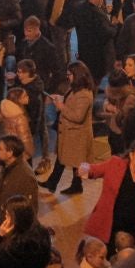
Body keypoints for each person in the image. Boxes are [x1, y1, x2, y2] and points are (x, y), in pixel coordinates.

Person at [78, 139, 135, 252]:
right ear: (131, 155)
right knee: (108, 254)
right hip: (110, 223)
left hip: (131, 226)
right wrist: (83, 168)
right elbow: (94, 170)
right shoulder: (115, 164)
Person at [40, 62, 95, 195]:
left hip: (76, 135)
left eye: (70, 74)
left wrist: (61, 107)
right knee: (64, 158)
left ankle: (70, 185)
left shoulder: (84, 94)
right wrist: (59, 98)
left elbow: (78, 116)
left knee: (72, 160)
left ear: (78, 75)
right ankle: (56, 183)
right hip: (70, 133)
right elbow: (71, 101)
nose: (68, 77)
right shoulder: (75, 88)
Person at [0, 134, 36, 213]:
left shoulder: (26, 176)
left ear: (10, 153)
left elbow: (30, 209)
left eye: (0, 148)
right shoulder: (7, 166)